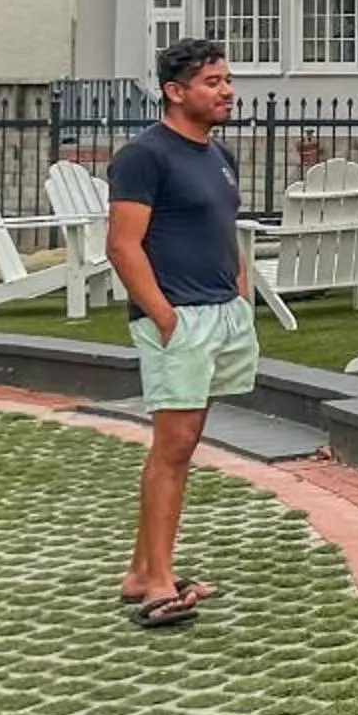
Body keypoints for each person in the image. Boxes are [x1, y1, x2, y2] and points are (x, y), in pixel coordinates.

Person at [107, 38, 258, 628]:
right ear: (175, 92)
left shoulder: (219, 155)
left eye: (226, 80)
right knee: (171, 448)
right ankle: (158, 586)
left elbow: (223, 228)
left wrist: (239, 291)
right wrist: (164, 317)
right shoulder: (145, 157)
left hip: (222, 312)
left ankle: (144, 570)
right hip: (179, 319)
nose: (226, 91)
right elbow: (122, 245)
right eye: (212, 82)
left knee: (186, 443)